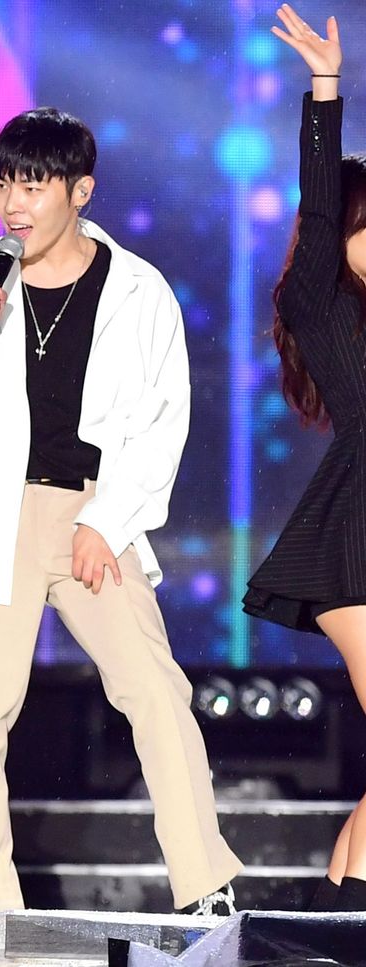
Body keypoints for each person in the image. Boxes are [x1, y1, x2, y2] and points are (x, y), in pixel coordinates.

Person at [0, 106, 242, 917]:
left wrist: (105, 522)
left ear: (80, 191)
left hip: (94, 512)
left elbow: (162, 422)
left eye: (34, 186)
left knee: (155, 691)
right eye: (4, 185)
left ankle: (205, 887)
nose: (13, 204)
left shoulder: (139, 290)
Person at [243, 4, 366, 912]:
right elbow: (320, 210)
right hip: (355, 540)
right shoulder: (320, 304)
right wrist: (327, 89)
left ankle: (333, 922)